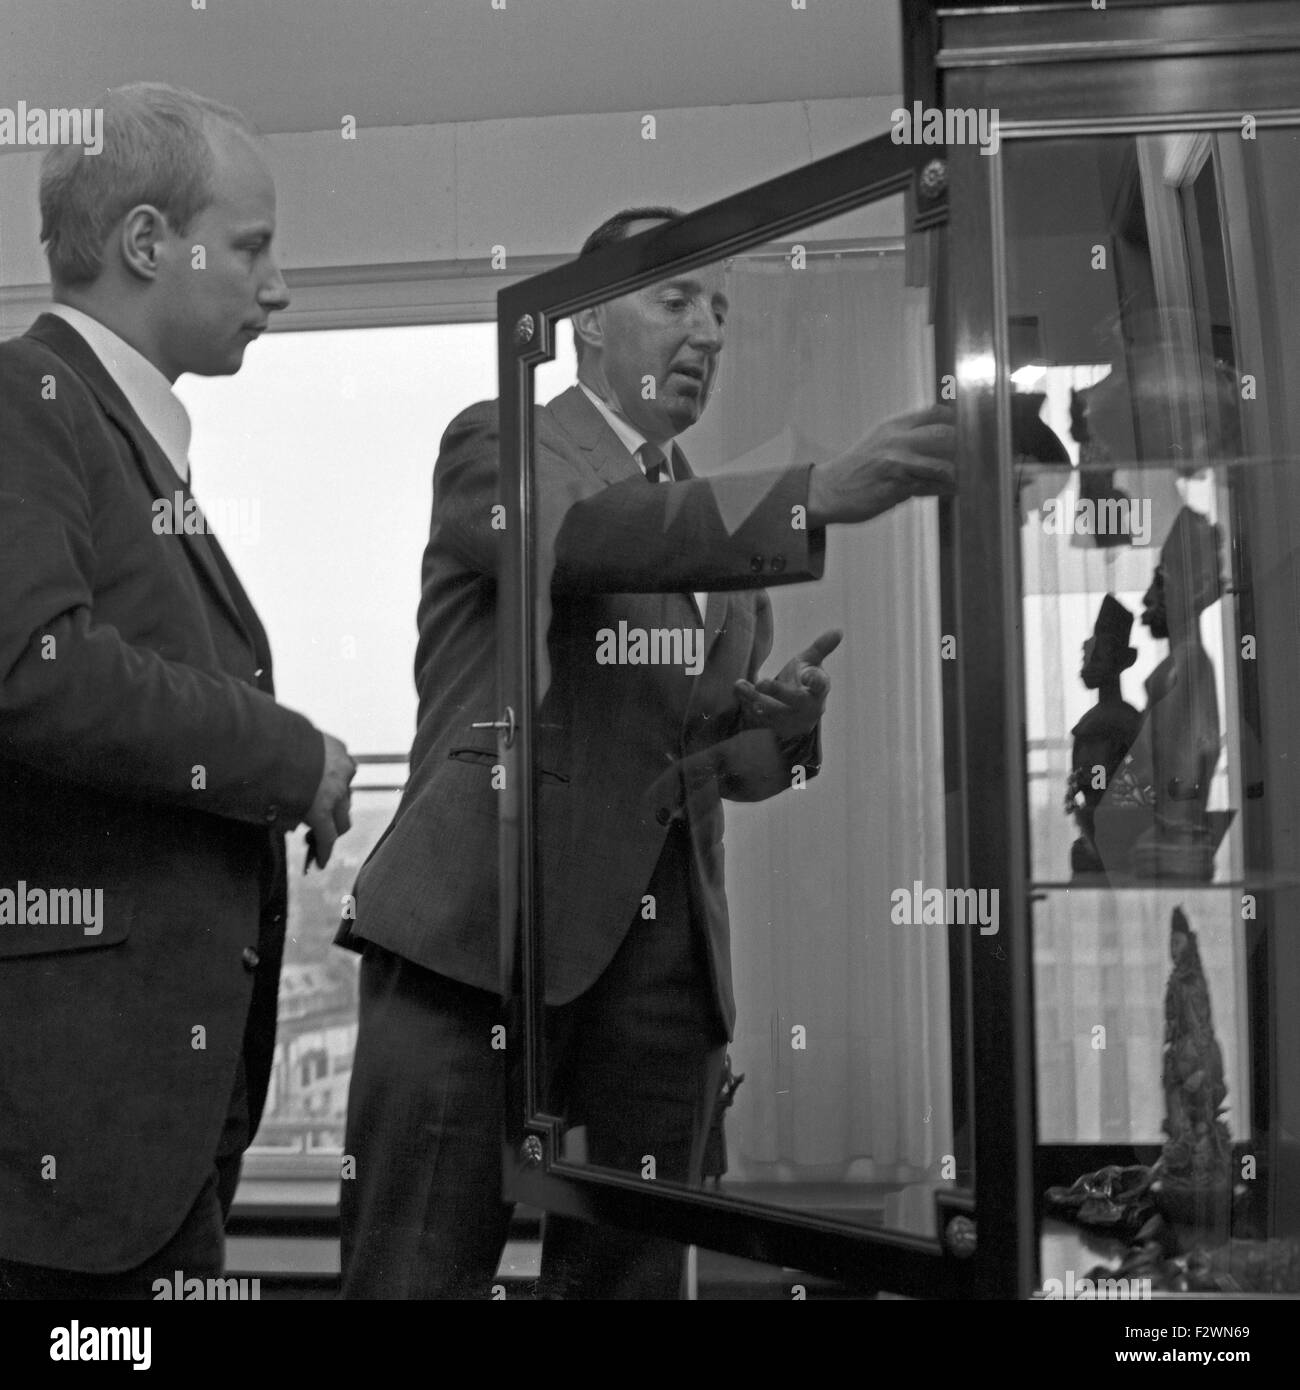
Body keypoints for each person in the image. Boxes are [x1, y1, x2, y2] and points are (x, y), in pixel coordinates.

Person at [336, 207, 955, 1299]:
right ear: (582, 327)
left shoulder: (707, 526)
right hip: (477, 957)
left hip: (661, 989)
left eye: (720, 309)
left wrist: (782, 730)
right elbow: (575, 541)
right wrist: (812, 492)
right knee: (414, 1276)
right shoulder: (499, 442)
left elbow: (711, 773)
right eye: (675, 299)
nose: (708, 332)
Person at [0, 82, 356, 1298]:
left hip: (141, 1132)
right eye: (251, 247)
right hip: (70, 1145)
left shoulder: (116, 434)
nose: (278, 287)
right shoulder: (23, 397)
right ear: (147, 242)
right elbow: (37, 673)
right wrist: (293, 754)